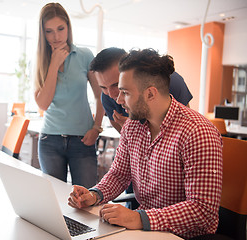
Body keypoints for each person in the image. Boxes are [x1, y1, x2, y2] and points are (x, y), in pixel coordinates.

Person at [68, 48, 223, 239]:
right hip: (144, 229)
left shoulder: (197, 132)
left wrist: (139, 218)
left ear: (150, 94)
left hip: (184, 235)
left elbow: (202, 210)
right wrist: (94, 195)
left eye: (125, 92)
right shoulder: (132, 127)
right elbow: (119, 174)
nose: (117, 99)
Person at [34, 3, 104, 188]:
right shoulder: (40, 60)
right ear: (43, 33)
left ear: (68, 27)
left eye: (60, 29)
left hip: (83, 140)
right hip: (50, 141)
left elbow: (100, 95)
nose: (56, 36)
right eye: (49, 31)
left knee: (86, 201)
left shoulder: (85, 55)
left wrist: (96, 127)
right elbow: (43, 104)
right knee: (55, 202)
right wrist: (54, 64)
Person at [90, 47, 193, 133]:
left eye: (116, 85)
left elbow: (186, 123)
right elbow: (126, 142)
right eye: (103, 87)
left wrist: (139, 128)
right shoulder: (107, 97)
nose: (112, 95)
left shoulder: (171, 81)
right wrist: (130, 129)